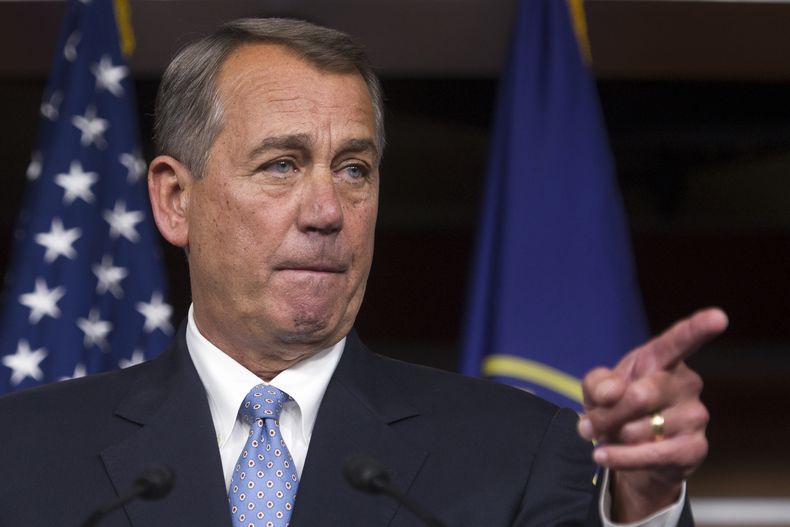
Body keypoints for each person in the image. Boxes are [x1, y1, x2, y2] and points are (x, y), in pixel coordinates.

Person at [0, 18, 727, 527]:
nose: (326, 210)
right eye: (281, 165)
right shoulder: (23, 456)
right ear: (174, 199)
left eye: (354, 169)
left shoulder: (522, 451)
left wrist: (642, 501)